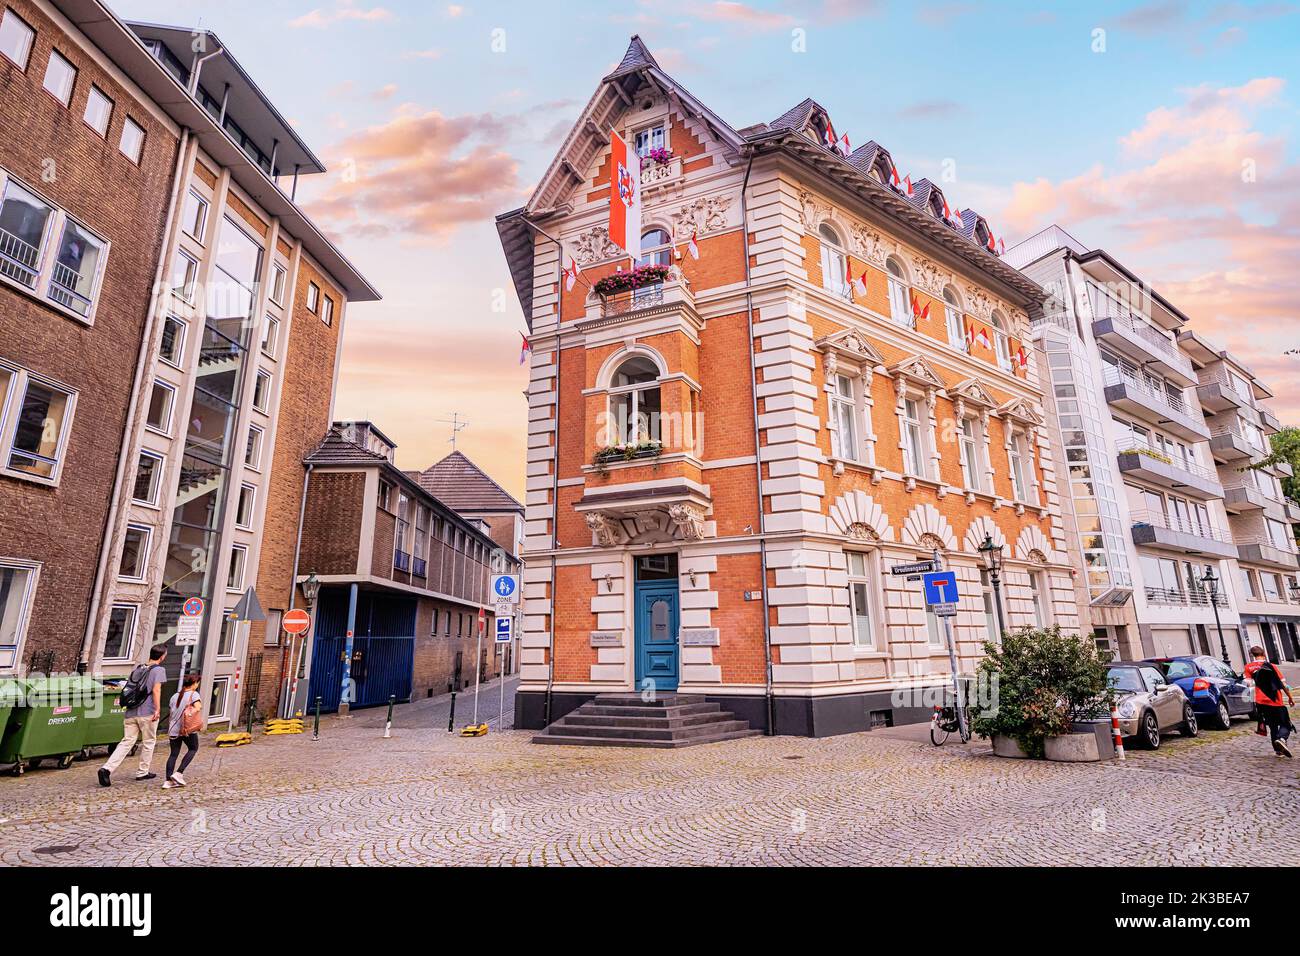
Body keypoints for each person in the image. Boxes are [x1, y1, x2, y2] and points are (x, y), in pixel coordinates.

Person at [98, 644, 167, 787]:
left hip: (131, 712)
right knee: (148, 742)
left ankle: (107, 768)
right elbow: (156, 690)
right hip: (147, 712)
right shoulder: (159, 670)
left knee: (126, 742)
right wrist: (158, 709)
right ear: (162, 656)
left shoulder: (138, 668)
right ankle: (142, 772)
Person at [1244, 645, 1294, 758]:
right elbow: (1283, 684)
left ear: (1252, 655)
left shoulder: (1248, 667)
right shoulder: (1271, 666)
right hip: (1276, 700)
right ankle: (1282, 739)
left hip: (1261, 702)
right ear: (1264, 654)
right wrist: (1290, 697)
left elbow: (1249, 685)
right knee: (1285, 723)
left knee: (1272, 726)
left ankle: (1278, 751)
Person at [164, 673, 203, 789]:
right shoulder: (194, 694)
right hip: (186, 729)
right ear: (194, 683)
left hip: (173, 729)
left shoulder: (174, 696)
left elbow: (171, 712)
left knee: (173, 754)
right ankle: (179, 773)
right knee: (193, 748)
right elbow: (198, 708)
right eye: (197, 683)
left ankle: (168, 781)